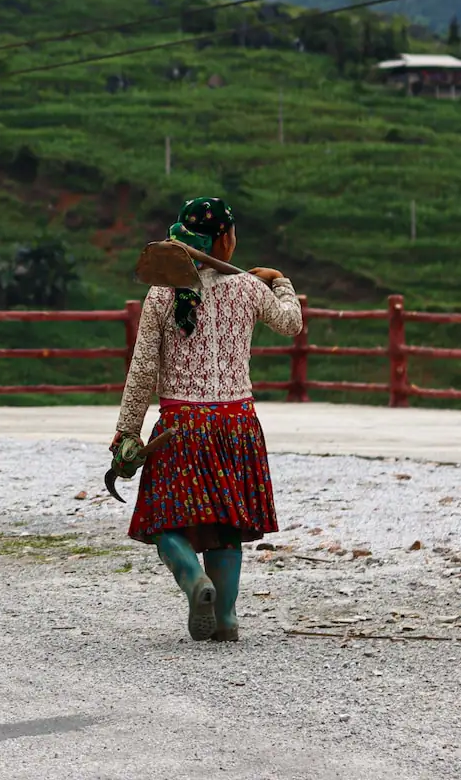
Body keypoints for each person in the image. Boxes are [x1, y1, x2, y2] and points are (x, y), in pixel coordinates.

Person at [111, 196, 302, 641]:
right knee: (225, 527)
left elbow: (143, 369)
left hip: (181, 425)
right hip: (236, 423)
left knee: (166, 522)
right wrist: (280, 280)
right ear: (224, 239)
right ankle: (227, 619)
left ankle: (196, 583)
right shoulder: (249, 289)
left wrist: (127, 430)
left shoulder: (162, 295)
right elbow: (291, 323)